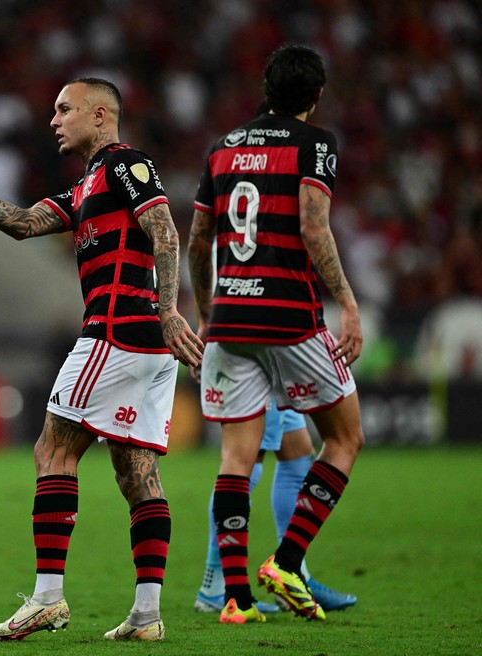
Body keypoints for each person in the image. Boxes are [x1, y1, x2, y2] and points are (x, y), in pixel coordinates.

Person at [0, 77, 203, 643]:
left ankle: (48, 598)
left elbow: (165, 230)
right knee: (137, 474)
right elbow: (21, 224)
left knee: (52, 449)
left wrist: (168, 310)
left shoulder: (126, 165)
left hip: (115, 332)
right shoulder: (86, 186)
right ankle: (147, 614)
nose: (54, 120)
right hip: (145, 344)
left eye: (65, 110)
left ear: (101, 115)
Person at [188, 44, 365, 624]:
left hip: (231, 322)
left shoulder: (222, 149)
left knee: (235, 461)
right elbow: (314, 226)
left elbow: (197, 239)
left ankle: (235, 598)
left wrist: (209, 309)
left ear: (266, 88)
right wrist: (346, 300)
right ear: (316, 96)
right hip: (289, 318)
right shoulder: (315, 144)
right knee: (344, 440)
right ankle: (287, 561)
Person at [194, 402, 357, 614]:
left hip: (277, 375)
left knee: (297, 453)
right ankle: (215, 584)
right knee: (245, 460)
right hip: (259, 375)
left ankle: (294, 574)